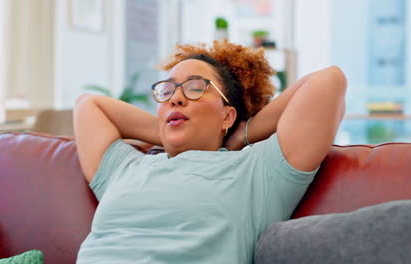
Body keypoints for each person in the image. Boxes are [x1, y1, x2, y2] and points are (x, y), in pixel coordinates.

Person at [74, 40, 346, 263]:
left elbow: (327, 82)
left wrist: (243, 133)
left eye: (195, 88)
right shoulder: (126, 168)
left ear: (227, 116)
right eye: (167, 90)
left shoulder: (256, 171)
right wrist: (167, 129)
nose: (176, 98)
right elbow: (88, 105)